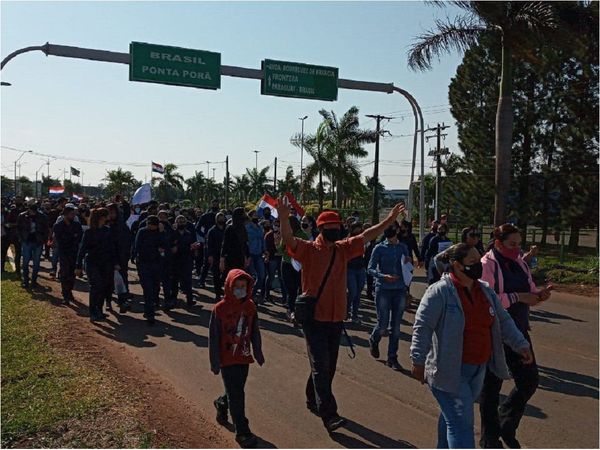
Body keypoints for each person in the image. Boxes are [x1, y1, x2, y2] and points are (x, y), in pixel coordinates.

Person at [276, 197, 406, 432]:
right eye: (332, 228)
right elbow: (288, 239)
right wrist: (284, 218)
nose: (336, 230)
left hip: (336, 319)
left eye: (338, 227)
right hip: (314, 318)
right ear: (321, 229)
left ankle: (312, 398)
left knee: (328, 367)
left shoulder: (342, 249)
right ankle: (329, 414)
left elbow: (367, 235)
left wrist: (389, 220)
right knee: (320, 366)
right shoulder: (308, 249)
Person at [410, 243, 533, 449]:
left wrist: (520, 344)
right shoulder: (439, 292)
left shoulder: (484, 291)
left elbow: (503, 321)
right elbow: (422, 327)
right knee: (461, 427)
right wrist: (417, 360)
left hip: (478, 369)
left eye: (479, 260)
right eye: (472, 262)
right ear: (457, 265)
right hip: (449, 371)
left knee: (452, 417)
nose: (478, 266)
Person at [478, 224, 553, 449]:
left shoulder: (519, 262)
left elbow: (528, 289)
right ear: (498, 243)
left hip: (518, 330)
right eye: (512, 244)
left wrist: (538, 295)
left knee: (529, 380)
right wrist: (518, 297)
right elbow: (486, 299)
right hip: (496, 332)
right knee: (491, 387)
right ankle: (489, 438)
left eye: (519, 244)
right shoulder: (487, 265)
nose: (517, 249)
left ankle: (507, 423)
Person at [209, 269, 265, 449]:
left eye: (244, 286)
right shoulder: (220, 309)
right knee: (237, 394)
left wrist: (258, 352)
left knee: (236, 390)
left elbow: (254, 331)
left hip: (243, 356)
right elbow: (214, 338)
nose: (240, 289)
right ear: (229, 286)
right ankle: (242, 431)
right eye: (236, 286)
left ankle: (221, 403)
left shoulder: (250, 307)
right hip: (227, 359)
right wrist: (215, 361)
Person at [367, 223, 409, 371]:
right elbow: (370, 268)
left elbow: (407, 268)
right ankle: (374, 338)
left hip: (399, 289)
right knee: (383, 324)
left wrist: (408, 264)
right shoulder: (379, 248)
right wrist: (383, 276)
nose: (391, 237)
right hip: (383, 288)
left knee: (396, 327)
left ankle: (392, 358)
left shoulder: (403, 247)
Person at [76, 208, 117, 322]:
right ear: (102, 217)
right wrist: (78, 265)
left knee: (103, 288)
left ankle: (99, 310)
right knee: (96, 286)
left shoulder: (107, 231)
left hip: (106, 263)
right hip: (92, 262)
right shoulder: (89, 232)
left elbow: (112, 248)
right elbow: (82, 249)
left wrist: (115, 263)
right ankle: (93, 312)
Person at [132, 215, 166, 325]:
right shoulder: (142, 232)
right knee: (148, 289)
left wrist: (161, 233)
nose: (150, 226)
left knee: (155, 287)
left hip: (156, 264)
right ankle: (150, 314)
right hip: (144, 263)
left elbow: (165, 245)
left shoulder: (160, 233)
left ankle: (151, 307)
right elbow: (138, 246)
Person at [279, 215, 307, 322]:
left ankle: (298, 310)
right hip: (287, 264)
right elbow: (281, 249)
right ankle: (291, 311)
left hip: (299, 266)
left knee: (300, 289)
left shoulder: (302, 235)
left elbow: (306, 249)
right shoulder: (286, 235)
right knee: (291, 291)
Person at [53, 204, 83, 304]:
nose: (73, 216)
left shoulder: (76, 225)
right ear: (66, 214)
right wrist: (71, 236)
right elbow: (61, 240)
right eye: (71, 214)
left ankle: (69, 291)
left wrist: (71, 236)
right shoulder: (58, 226)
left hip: (74, 252)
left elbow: (78, 237)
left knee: (72, 274)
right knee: (64, 274)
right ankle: (65, 294)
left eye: (74, 214)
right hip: (64, 253)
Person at [17, 202, 50, 289]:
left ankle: (34, 280)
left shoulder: (42, 217)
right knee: (25, 261)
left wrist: (44, 240)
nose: (32, 213)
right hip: (26, 241)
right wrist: (21, 238)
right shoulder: (22, 216)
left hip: (38, 242)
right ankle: (26, 280)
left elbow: (46, 229)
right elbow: (18, 228)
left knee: (36, 262)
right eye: (31, 211)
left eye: (34, 212)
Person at [107, 203, 133, 312]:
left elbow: (126, 241)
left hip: (121, 257)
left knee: (122, 279)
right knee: (107, 281)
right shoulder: (103, 225)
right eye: (109, 212)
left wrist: (124, 256)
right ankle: (108, 301)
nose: (111, 215)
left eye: (113, 212)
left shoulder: (122, 225)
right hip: (107, 257)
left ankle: (123, 301)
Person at [168, 215, 197, 308]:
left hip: (186, 260)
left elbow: (192, 246)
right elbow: (170, 248)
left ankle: (190, 299)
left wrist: (192, 249)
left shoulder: (189, 234)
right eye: (179, 222)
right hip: (175, 261)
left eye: (183, 222)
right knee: (174, 282)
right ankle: (173, 299)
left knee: (188, 281)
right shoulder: (172, 234)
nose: (181, 223)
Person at [346, 222, 366, 324]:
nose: (358, 232)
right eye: (356, 229)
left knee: (358, 293)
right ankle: (346, 310)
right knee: (353, 292)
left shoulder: (362, 240)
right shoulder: (348, 240)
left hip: (360, 268)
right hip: (350, 269)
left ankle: (354, 315)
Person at [220, 207, 250, 277]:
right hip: (231, 258)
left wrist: (246, 256)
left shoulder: (243, 228)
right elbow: (225, 244)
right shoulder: (230, 228)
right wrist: (222, 259)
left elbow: (245, 243)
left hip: (241, 257)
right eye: (243, 213)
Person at [246, 211, 266, 301]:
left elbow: (262, 240)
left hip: (258, 254)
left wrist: (265, 250)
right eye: (254, 216)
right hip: (250, 254)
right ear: (250, 217)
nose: (256, 217)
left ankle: (252, 293)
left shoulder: (260, 228)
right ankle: (248, 296)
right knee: (250, 276)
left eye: (257, 216)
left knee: (261, 276)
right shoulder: (246, 228)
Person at [206, 212, 227, 299]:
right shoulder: (212, 231)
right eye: (219, 218)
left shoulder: (227, 229)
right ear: (216, 219)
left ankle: (221, 288)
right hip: (215, 254)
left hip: (225, 255)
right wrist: (210, 255)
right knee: (216, 274)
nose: (221, 220)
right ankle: (217, 293)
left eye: (223, 218)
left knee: (225, 273)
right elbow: (209, 244)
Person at [3, 196, 26, 276]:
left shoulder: (25, 211)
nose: (18, 202)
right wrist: (16, 224)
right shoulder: (11, 211)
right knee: (3, 252)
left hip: (19, 236)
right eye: (16, 200)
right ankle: (2, 269)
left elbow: (25, 224)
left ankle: (18, 270)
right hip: (9, 235)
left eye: (19, 200)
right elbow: (7, 223)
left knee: (18, 254)